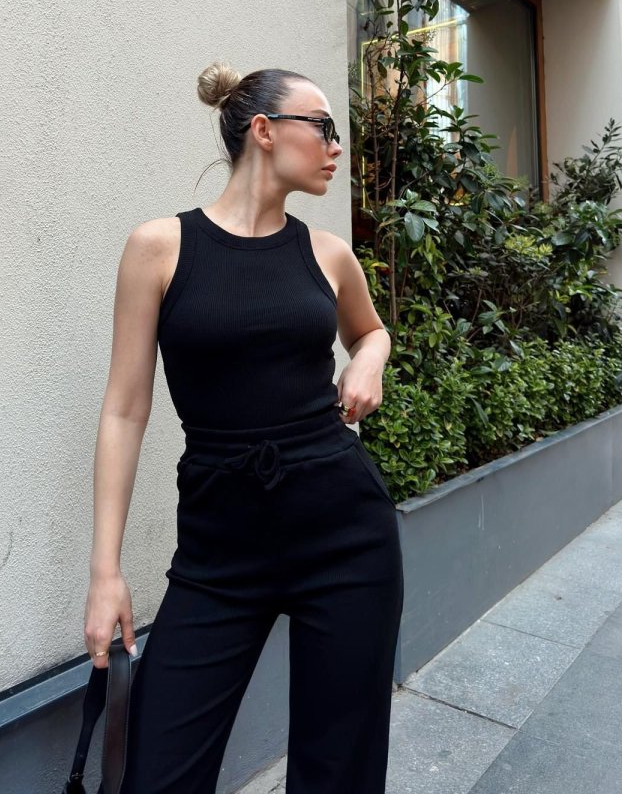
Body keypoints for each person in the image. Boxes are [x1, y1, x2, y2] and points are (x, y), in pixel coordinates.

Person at [83, 61, 404, 793]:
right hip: (219, 546)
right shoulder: (160, 247)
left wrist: (369, 360)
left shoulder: (327, 254)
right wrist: (106, 573)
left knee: (339, 772)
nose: (335, 146)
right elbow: (125, 409)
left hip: (345, 531)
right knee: (156, 774)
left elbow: (371, 331)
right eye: (322, 127)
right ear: (264, 130)